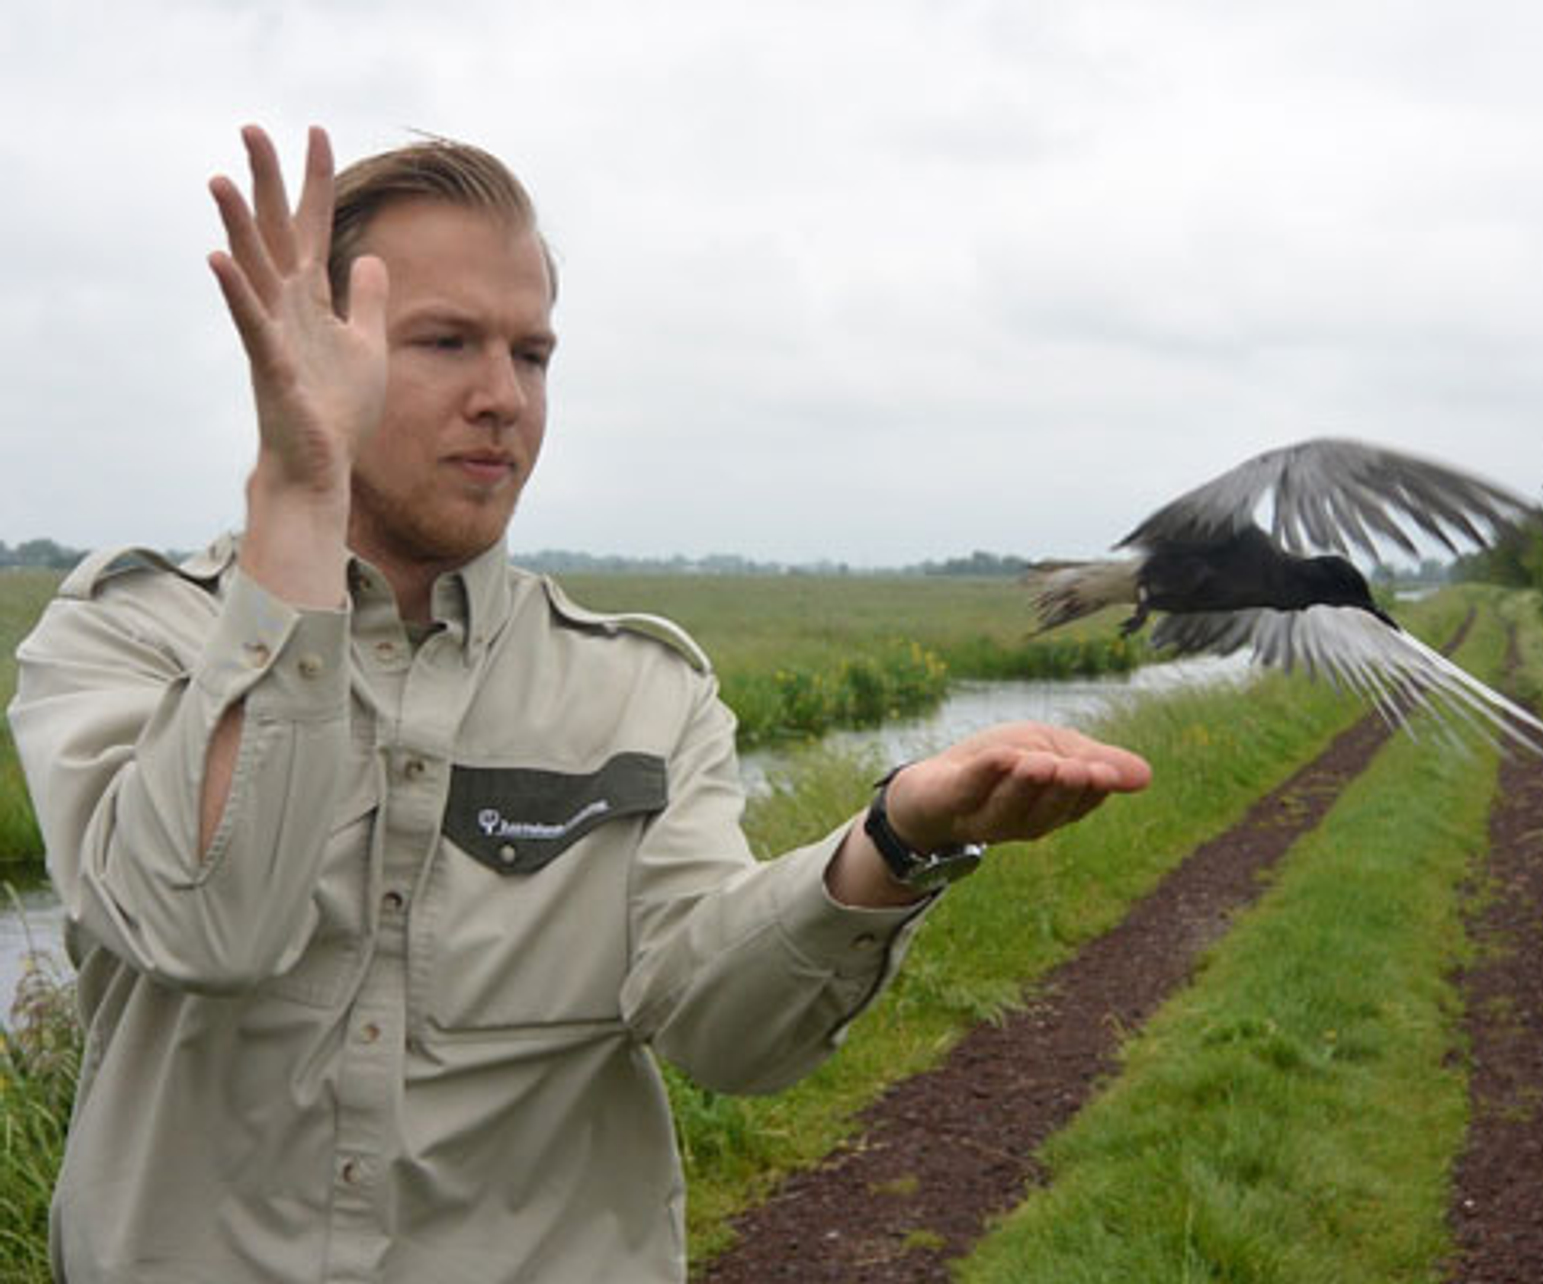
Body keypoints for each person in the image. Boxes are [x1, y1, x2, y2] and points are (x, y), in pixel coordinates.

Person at [6, 124, 1151, 1284]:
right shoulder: (129, 638)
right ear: (310, 350)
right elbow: (209, 926)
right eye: (447, 342)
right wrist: (301, 492)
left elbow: (722, 1030)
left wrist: (899, 836)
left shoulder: (639, 693)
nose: (503, 397)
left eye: (534, 354)